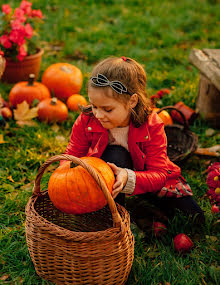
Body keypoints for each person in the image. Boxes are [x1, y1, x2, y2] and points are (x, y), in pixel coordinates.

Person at [62, 56, 205, 224]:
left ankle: (146, 206)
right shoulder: (87, 121)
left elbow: (159, 173)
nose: (99, 115)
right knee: (116, 154)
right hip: (106, 179)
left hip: (144, 177)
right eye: (94, 106)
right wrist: (64, 179)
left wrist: (128, 177)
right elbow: (73, 153)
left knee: (194, 218)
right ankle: (114, 216)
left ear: (132, 101)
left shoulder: (152, 125)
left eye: (107, 109)